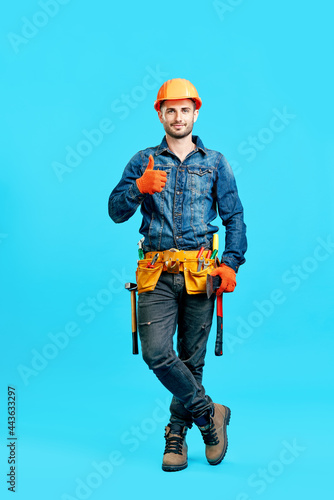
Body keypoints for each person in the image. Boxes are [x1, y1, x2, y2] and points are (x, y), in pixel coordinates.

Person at [108, 78, 247, 472]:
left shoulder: (215, 162)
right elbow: (115, 211)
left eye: (185, 109)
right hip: (155, 273)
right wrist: (138, 187)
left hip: (201, 273)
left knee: (191, 359)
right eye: (170, 110)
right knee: (157, 352)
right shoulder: (143, 161)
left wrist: (230, 264)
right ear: (160, 114)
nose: (178, 116)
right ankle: (208, 415)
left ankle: (176, 434)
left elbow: (235, 217)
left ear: (195, 113)